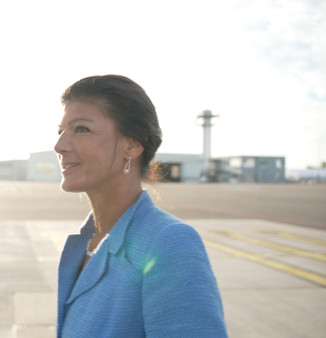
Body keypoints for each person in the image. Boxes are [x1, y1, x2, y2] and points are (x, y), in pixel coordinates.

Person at [54, 75, 227, 337]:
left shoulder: (169, 242)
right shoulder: (86, 242)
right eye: (61, 131)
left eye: (81, 129)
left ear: (132, 144)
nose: (59, 145)